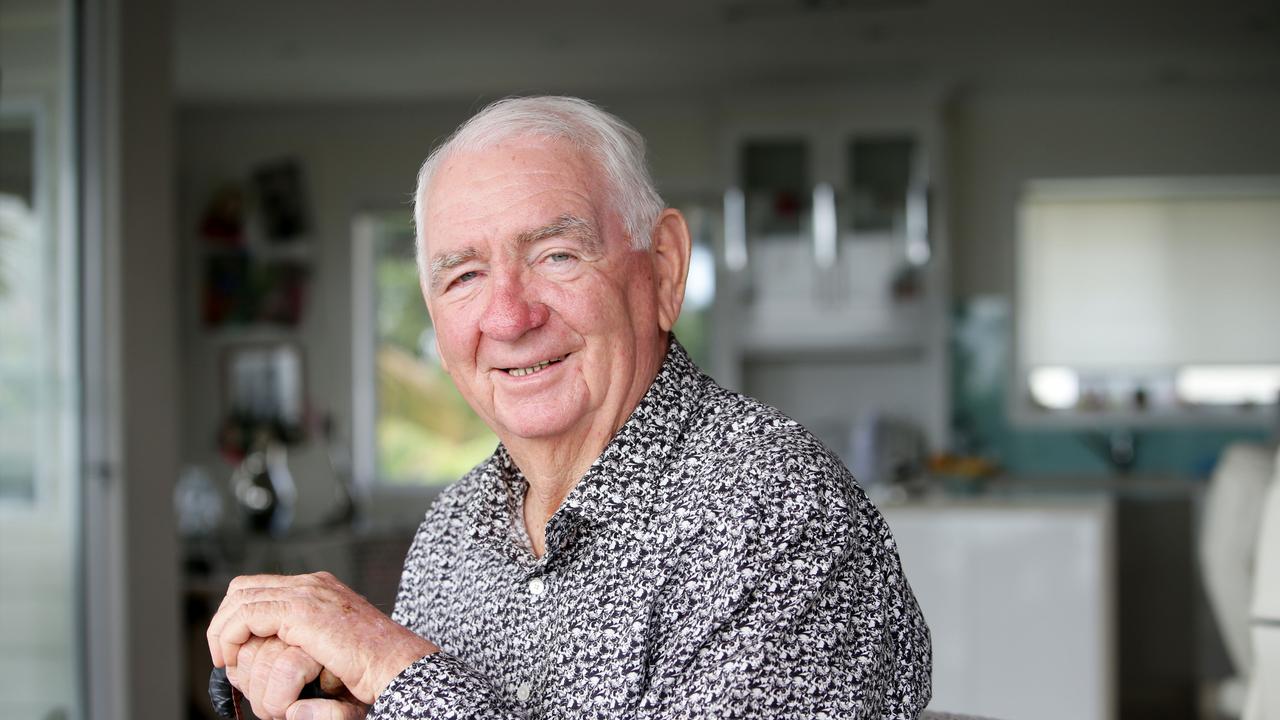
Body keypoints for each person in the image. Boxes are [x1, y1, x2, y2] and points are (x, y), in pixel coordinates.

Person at [207, 96, 931, 720]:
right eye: (463, 275)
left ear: (665, 270)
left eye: (556, 254)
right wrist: (345, 694)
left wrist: (394, 669)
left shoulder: (774, 509)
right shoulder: (453, 531)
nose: (509, 316)